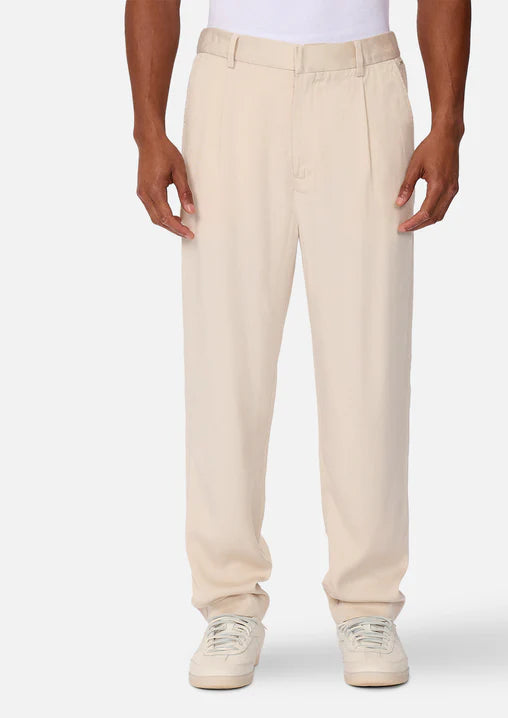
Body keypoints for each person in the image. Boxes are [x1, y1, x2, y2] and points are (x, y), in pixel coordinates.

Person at [125, 0, 470, 689]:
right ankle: (228, 601)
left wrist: (448, 125)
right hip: (233, 85)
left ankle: (367, 603)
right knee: (225, 361)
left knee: (369, 361)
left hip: (365, 83)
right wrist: (148, 130)